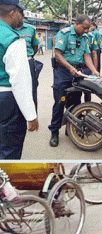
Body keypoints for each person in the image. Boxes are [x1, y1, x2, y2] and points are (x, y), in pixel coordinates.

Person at [49, 14, 99, 148]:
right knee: (60, 102)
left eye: (88, 28)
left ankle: (70, 129)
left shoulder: (84, 37)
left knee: (76, 103)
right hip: (63, 72)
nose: (86, 30)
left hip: (77, 73)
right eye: (84, 28)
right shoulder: (64, 34)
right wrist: (70, 67)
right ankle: (54, 132)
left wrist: (93, 70)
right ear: (76, 24)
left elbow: (86, 55)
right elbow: (58, 55)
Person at [0, 0, 38, 159]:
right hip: (7, 99)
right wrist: (31, 115)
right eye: (20, 13)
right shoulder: (12, 39)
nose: (22, 17)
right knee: (9, 150)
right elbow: (20, 82)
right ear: (12, 13)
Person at [15, 20, 42, 112]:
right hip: (12, 64)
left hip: (28, 62)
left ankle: (33, 118)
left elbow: (35, 47)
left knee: (31, 91)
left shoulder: (31, 29)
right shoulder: (7, 28)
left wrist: (26, 58)